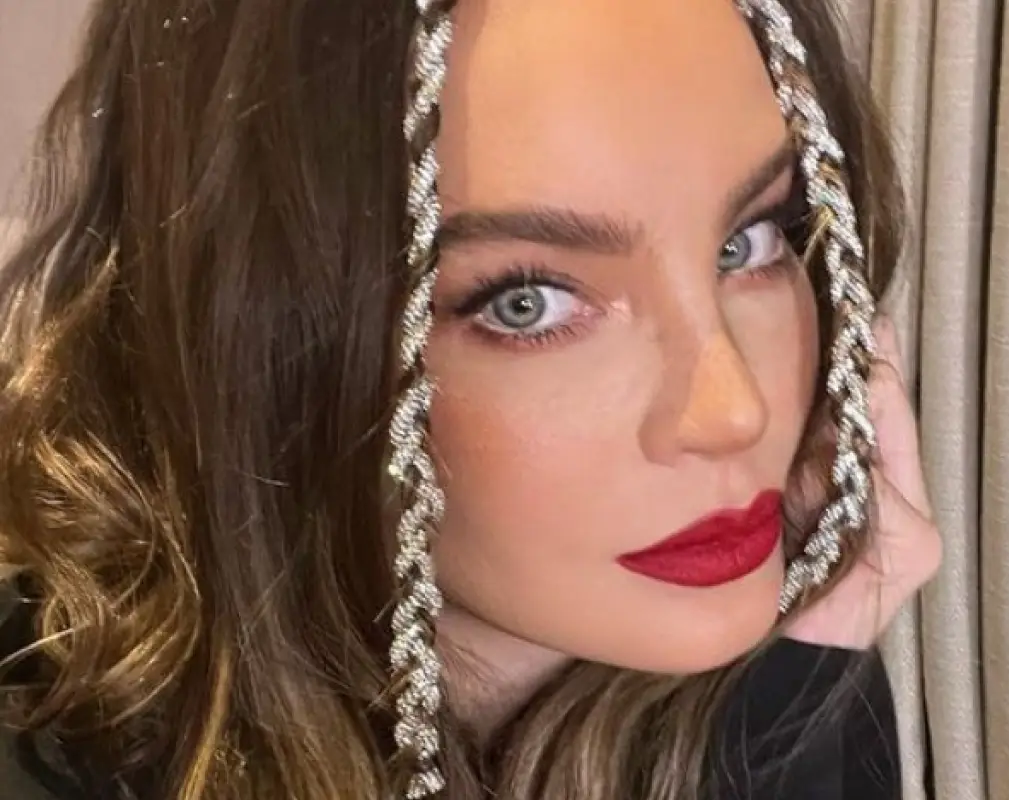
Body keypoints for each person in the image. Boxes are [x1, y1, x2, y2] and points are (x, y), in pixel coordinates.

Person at [0, 0, 942, 797]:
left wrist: (789, 701)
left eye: (751, 242)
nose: (733, 412)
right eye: (526, 302)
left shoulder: (791, 676)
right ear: (258, 349)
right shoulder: (43, 738)